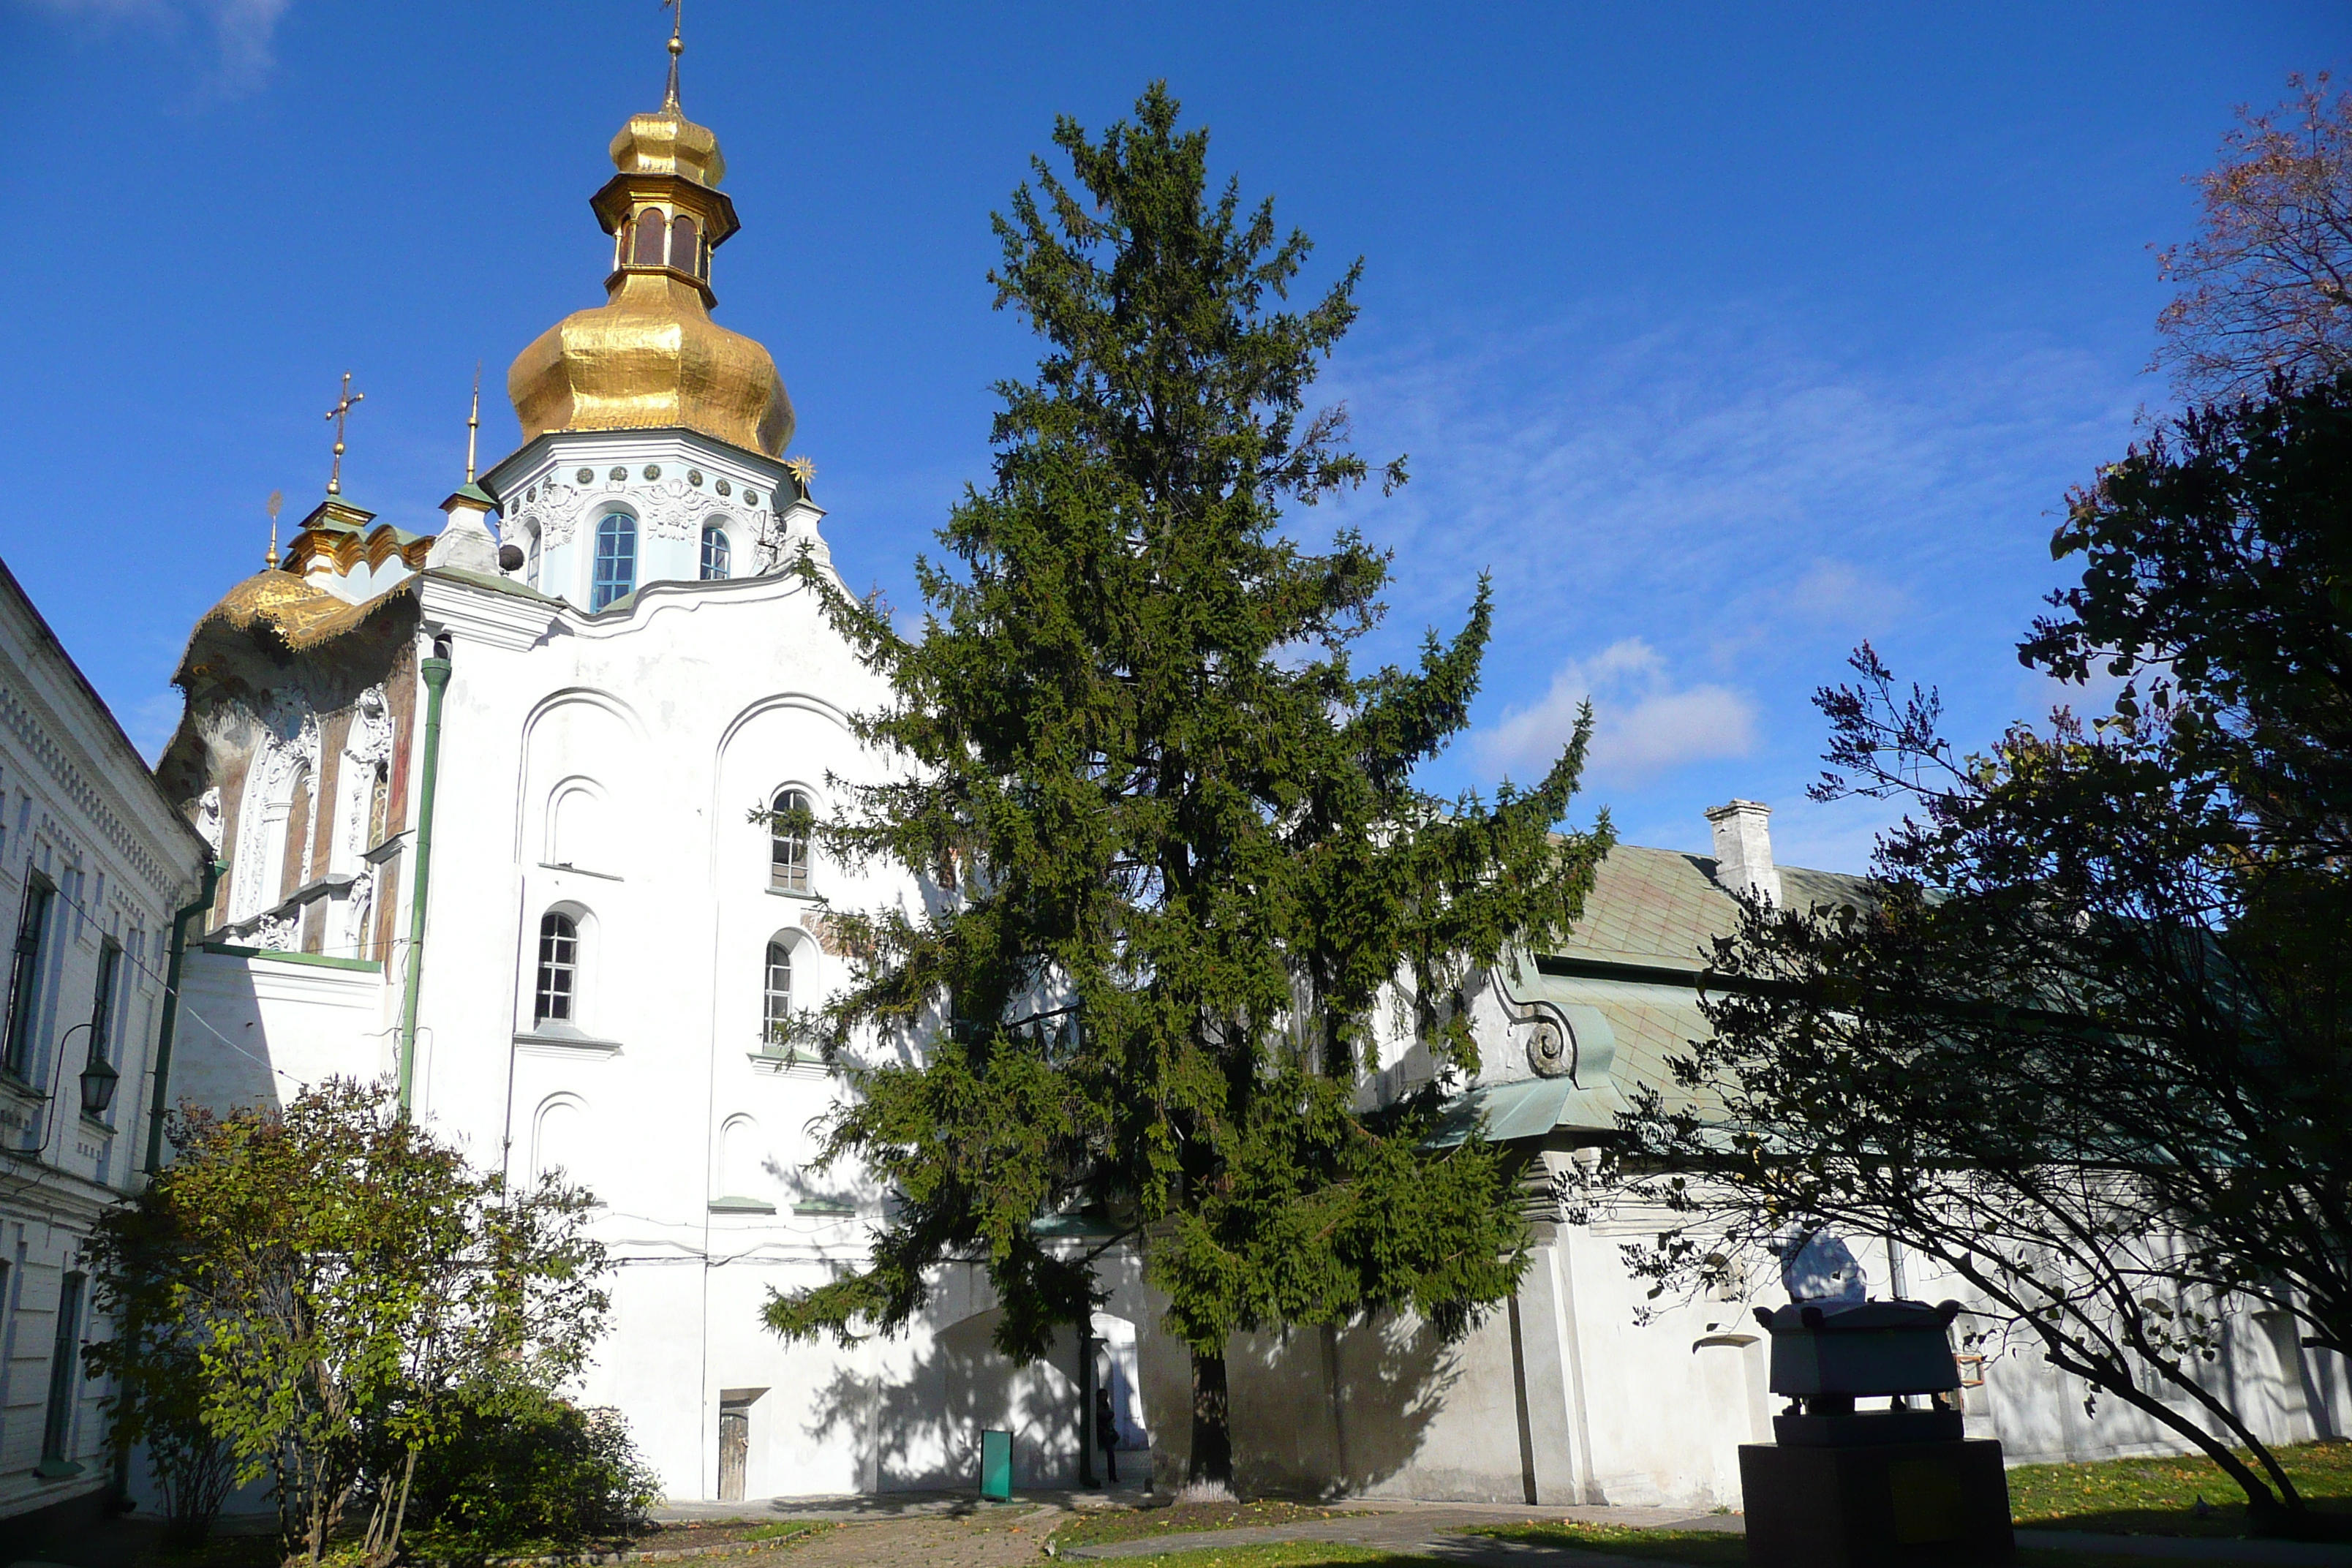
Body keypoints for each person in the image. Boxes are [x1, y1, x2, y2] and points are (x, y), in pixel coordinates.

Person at [1095, 1384, 1120, 1485]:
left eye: (1106, 1395)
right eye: (1102, 1395)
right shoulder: (1097, 1407)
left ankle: (1113, 1476)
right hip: (1102, 1433)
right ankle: (1112, 1476)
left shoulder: (1105, 1406)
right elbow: (1103, 1416)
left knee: (1111, 1454)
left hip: (1107, 1432)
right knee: (1110, 1453)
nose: (1104, 1397)